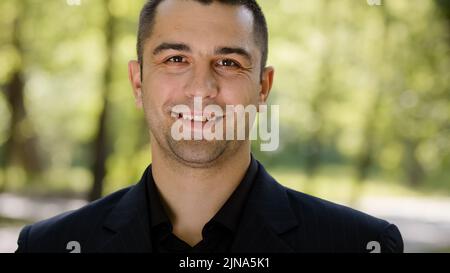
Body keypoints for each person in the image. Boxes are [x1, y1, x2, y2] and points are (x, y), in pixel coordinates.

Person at [15, 0, 403, 253]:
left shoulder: (357, 245)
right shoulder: (49, 247)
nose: (201, 87)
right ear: (138, 82)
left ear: (263, 87)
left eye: (229, 63)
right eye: (175, 59)